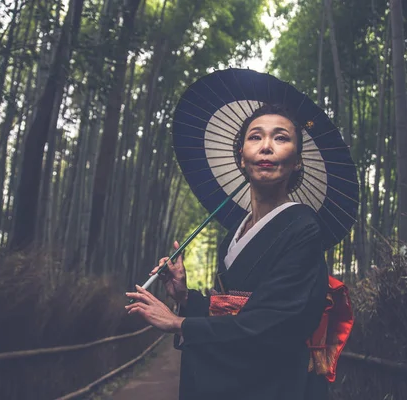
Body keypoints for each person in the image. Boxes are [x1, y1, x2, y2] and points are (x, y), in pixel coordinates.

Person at [125, 104, 331, 400]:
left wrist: (178, 323)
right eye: (255, 137)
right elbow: (225, 308)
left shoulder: (303, 228)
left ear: (297, 161)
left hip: (275, 384)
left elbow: (271, 324)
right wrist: (185, 297)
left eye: (281, 138)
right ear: (242, 157)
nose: (267, 147)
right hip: (228, 381)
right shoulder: (233, 234)